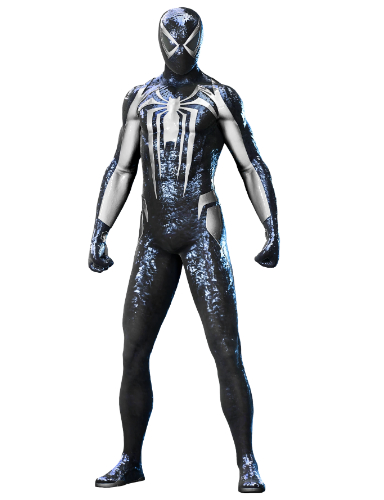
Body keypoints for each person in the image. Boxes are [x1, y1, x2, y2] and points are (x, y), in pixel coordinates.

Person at [89, 7, 279, 493]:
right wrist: (99, 229)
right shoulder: (140, 97)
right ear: (158, 40)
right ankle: (131, 459)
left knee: (226, 350)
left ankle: (247, 461)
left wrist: (270, 226)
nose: (179, 48)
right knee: (133, 350)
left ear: (200, 41)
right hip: (154, 236)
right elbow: (122, 167)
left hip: (200, 233)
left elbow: (250, 164)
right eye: (171, 39)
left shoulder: (219, 96)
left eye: (188, 39)